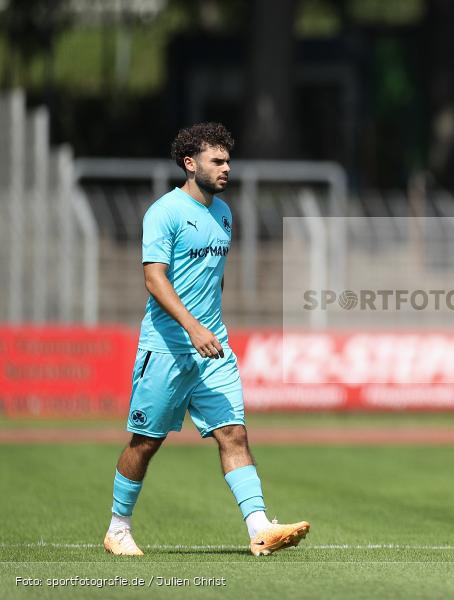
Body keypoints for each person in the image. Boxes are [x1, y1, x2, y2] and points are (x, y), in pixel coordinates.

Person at [103, 122, 309, 557]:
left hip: (213, 349)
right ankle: (118, 528)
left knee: (233, 433)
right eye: (218, 160)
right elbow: (153, 279)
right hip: (166, 349)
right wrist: (192, 327)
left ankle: (259, 528)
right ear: (190, 163)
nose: (226, 168)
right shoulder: (165, 212)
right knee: (145, 443)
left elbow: (211, 283)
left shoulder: (224, 214)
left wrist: (209, 327)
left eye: (229, 160)